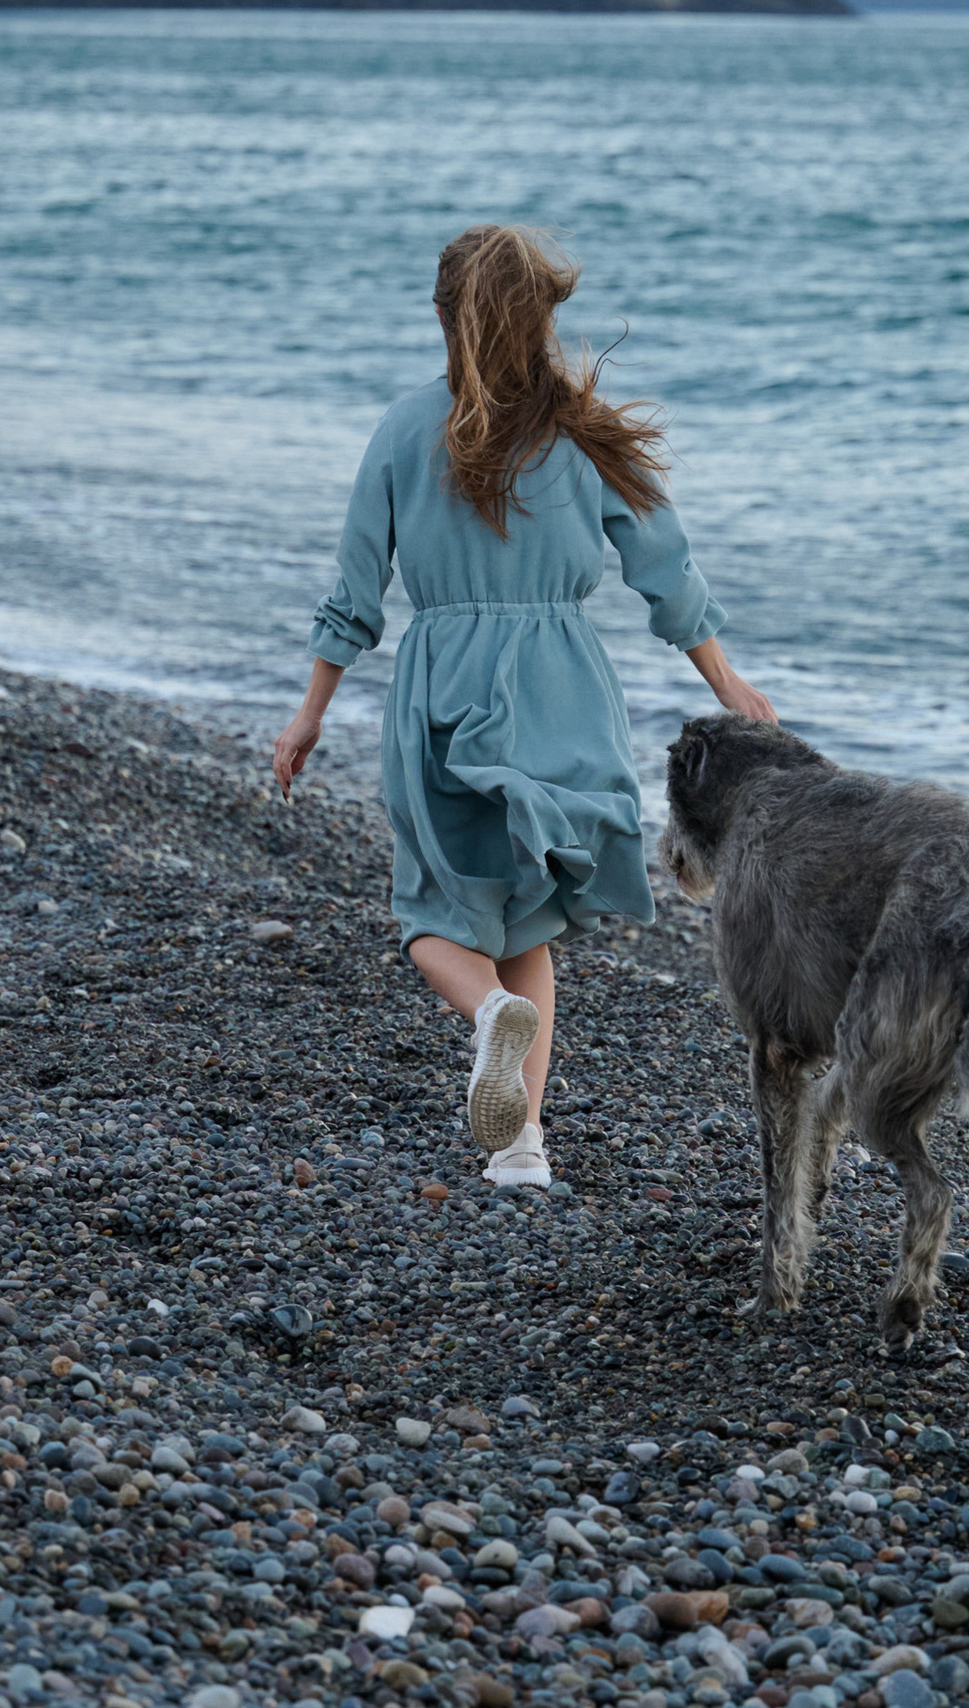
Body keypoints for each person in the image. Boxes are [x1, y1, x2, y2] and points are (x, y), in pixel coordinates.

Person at [272, 223, 775, 1190]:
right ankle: (522, 1149)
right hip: (564, 688)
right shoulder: (585, 430)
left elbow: (355, 595)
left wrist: (309, 714)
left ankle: (486, 1019)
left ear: (442, 317)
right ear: (544, 320)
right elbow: (662, 569)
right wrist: (724, 681)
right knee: (530, 924)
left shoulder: (402, 429)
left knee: (431, 911)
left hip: (444, 689)